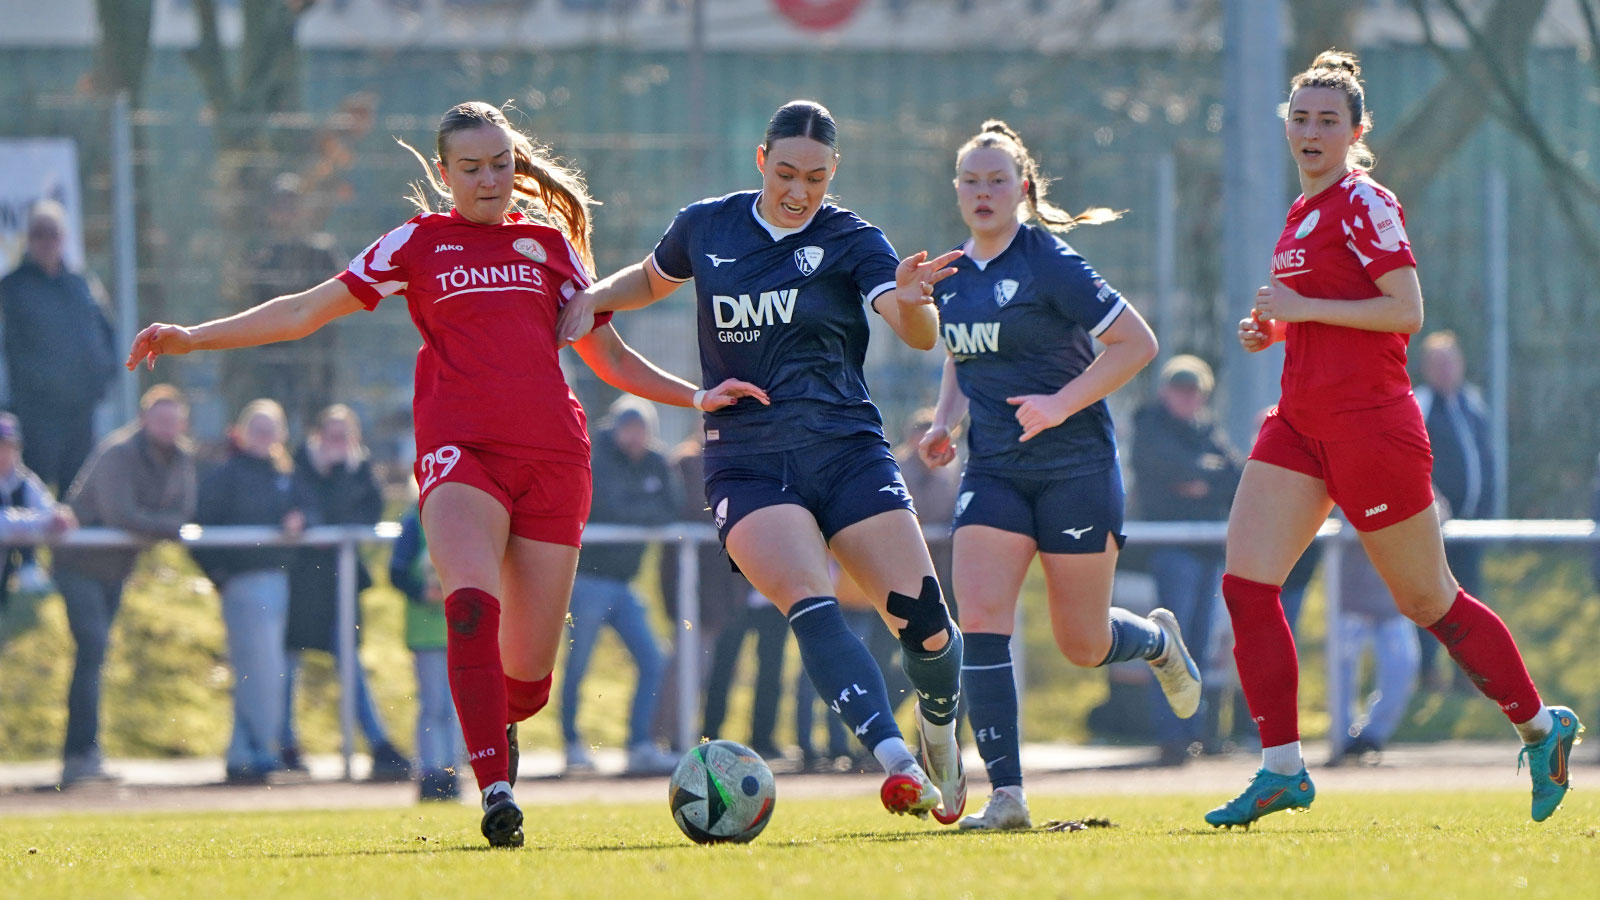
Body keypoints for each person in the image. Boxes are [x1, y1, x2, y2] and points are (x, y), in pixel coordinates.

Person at [126, 100, 765, 847]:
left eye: (501, 164)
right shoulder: (416, 244)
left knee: (526, 678)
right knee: (467, 604)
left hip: (555, 460)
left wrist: (695, 395)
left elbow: (610, 359)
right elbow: (307, 310)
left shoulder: (550, 246)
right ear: (443, 173)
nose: (490, 179)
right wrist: (194, 339)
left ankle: (503, 724)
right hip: (460, 451)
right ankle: (495, 789)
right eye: (471, 168)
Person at [558, 99, 969, 823]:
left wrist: (913, 303)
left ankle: (937, 729)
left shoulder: (853, 239)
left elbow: (913, 331)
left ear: (832, 172)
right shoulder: (706, 226)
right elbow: (651, 281)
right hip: (746, 459)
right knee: (809, 599)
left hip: (844, 450)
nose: (798, 190)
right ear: (760, 161)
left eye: (814, 176)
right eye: (785, 172)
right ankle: (897, 764)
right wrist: (593, 295)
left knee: (928, 628)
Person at [1206, 51, 1581, 829]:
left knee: (1427, 600)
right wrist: (1270, 328)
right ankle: (1282, 768)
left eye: (1326, 120)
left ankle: (1542, 729)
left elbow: (1405, 311)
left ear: (1355, 131)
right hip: (1299, 425)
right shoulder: (1300, 211)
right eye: (1300, 118)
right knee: (1245, 583)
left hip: (1372, 430)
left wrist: (1300, 307)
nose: (1310, 131)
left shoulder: (1366, 200)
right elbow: (1318, 311)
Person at [917, 120, 1201, 831]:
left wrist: (1059, 404)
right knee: (980, 620)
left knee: (1082, 644)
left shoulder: (1052, 262)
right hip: (995, 473)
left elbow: (1138, 343)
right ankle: (1007, 795)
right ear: (957, 190)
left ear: (1024, 189)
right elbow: (960, 354)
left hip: (1076, 469)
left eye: (997, 180)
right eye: (971, 181)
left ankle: (1158, 643)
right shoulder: (949, 274)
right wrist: (944, 423)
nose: (982, 193)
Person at [51, 385, 196, 786]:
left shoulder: (182, 457)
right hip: (79, 565)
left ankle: (86, 752)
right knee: (93, 648)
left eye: (174, 420)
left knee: (96, 655)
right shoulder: (118, 452)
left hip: (116, 570)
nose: (168, 427)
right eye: (160, 419)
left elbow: (183, 509)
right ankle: (79, 754)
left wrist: (158, 525)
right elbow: (121, 514)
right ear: (144, 419)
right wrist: (164, 528)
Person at [280, 403, 409, 782]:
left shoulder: (359, 472)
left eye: (345, 434)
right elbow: (303, 511)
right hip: (303, 584)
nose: (338, 442)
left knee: (350, 663)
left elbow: (364, 516)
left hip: (341, 583)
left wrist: (338, 474)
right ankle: (285, 743)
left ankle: (378, 743)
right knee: (289, 667)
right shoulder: (298, 467)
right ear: (319, 434)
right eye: (331, 433)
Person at [1130, 354, 1243, 765]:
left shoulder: (1206, 430)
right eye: (1180, 389)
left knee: (1198, 645)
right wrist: (1199, 476)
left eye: (1193, 390)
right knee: (1169, 645)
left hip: (1206, 551)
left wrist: (1200, 478)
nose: (1186, 397)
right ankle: (1171, 736)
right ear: (1164, 392)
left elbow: (1233, 475)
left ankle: (1195, 732)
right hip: (1172, 550)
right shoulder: (1149, 425)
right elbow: (1163, 468)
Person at [561, 397, 680, 776]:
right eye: (628, 427)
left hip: (626, 585)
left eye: (641, 429)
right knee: (577, 666)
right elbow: (606, 507)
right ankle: (572, 743)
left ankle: (639, 744)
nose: (634, 436)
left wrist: (639, 509)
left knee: (653, 660)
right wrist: (644, 509)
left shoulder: (656, 462)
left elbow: (672, 507)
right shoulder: (597, 457)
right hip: (588, 582)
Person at [192, 399, 305, 783]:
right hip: (245, 584)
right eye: (256, 427)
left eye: (270, 427)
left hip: (277, 583)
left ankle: (245, 752)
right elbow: (200, 528)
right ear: (240, 431)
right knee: (259, 671)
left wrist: (301, 519)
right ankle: (257, 751)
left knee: (262, 670)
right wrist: (222, 576)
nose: (264, 435)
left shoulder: (283, 474)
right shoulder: (226, 474)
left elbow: (310, 508)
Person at [0, 200, 119, 494]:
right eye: (39, 233)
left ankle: (73, 543)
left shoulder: (81, 284)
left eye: (53, 233)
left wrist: (102, 379)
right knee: (29, 490)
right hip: (32, 413)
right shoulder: (12, 288)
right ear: (29, 238)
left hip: (80, 411)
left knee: (76, 493)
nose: (46, 241)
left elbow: (106, 334)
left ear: (63, 237)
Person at [1413, 330, 1496, 691]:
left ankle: (1469, 678)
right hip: (1435, 531)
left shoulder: (1473, 403)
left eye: (1451, 362)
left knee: (1471, 601)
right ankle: (1426, 675)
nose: (1446, 370)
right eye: (1438, 363)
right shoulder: (1421, 403)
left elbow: (1485, 460)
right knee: (1433, 602)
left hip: (1472, 528)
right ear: (1427, 368)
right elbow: (1410, 459)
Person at [1326, 517, 1421, 766]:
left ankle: (1371, 737)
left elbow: (1438, 510)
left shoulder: (1407, 480)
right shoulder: (1342, 481)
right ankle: (1343, 740)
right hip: (1350, 600)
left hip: (1394, 600)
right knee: (1341, 672)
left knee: (1403, 665)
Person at [389, 499, 464, 801]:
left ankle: (451, 770)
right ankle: (431, 771)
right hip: (427, 630)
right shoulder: (414, 523)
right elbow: (397, 572)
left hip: (460, 629)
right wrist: (423, 592)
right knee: (433, 705)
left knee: (455, 707)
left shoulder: (466, 521)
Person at [0, 412, 76, 640]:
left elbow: (53, 512)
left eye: (8, 446)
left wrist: (57, 517)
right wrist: (41, 521)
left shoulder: (24, 481)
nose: (4, 453)